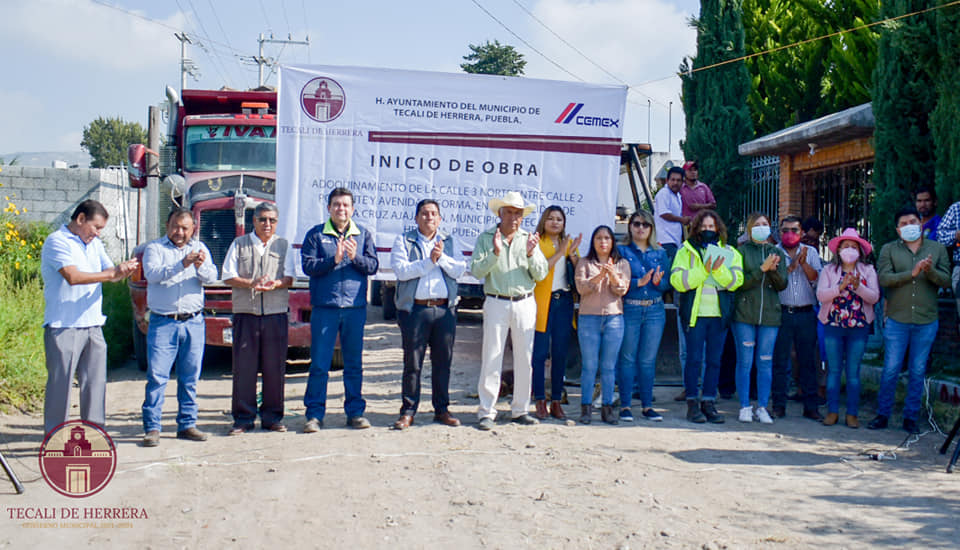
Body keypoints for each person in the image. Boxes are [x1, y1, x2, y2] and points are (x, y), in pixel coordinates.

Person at [40, 200, 138, 435]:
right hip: (64, 326)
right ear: (81, 219)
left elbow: (110, 273)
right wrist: (111, 274)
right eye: (96, 227)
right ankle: (55, 438)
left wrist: (122, 271)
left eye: (101, 228)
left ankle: (94, 435)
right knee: (60, 386)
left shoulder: (94, 245)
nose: (98, 233)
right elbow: (73, 276)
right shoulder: (57, 242)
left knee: (95, 385)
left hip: (93, 324)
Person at [301, 187, 379, 431]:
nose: (341, 209)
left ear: (352, 209)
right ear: (329, 209)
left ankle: (355, 412)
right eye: (336, 204)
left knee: (353, 364)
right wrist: (332, 260)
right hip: (326, 308)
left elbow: (373, 266)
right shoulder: (315, 235)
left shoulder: (363, 234)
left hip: (354, 307)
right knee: (320, 364)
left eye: (345, 205)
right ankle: (314, 415)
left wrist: (355, 257)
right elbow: (308, 266)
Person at [141, 208, 219, 446]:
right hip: (164, 321)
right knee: (157, 376)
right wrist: (181, 264)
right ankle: (153, 428)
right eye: (176, 226)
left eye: (185, 228)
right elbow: (152, 275)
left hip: (194, 321)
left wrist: (200, 266)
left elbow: (212, 277)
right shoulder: (155, 249)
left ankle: (187, 424)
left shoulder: (200, 248)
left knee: (190, 377)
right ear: (167, 225)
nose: (180, 232)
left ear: (193, 229)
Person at [471, 191, 548, 430]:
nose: (514, 217)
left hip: (524, 301)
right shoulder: (486, 238)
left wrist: (530, 253)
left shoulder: (529, 239)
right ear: (500, 213)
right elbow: (476, 271)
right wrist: (495, 253)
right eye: (510, 212)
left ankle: (520, 409)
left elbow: (541, 273)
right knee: (491, 356)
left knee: (525, 358)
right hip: (496, 300)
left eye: (518, 213)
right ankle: (486, 411)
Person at [872, 206, 951, 433]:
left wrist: (930, 272)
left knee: (917, 370)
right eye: (904, 223)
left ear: (921, 224)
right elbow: (884, 278)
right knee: (891, 369)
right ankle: (882, 414)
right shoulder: (889, 250)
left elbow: (946, 281)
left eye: (913, 222)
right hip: (898, 318)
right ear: (898, 229)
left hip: (926, 319)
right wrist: (912, 273)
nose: (910, 226)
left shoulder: (936, 249)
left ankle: (910, 418)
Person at [390, 199, 468, 430]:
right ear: (416, 218)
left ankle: (442, 410)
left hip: (444, 310)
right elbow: (402, 271)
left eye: (434, 214)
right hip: (415, 310)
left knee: (443, 362)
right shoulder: (404, 240)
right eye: (424, 214)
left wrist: (441, 257)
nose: (429, 218)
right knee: (412, 363)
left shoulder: (449, 241)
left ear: (440, 219)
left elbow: (459, 269)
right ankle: (408, 411)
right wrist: (429, 261)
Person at [221, 203, 295, 435]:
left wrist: (275, 284)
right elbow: (227, 276)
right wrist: (251, 283)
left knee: (274, 368)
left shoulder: (283, 246)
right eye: (263, 219)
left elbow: (290, 278)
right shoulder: (239, 244)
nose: (267, 224)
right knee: (244, 368)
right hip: (246, 313)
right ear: (253, 221)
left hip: (275, 315)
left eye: (272, 220)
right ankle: (243, 418)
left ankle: (272, 417)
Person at [670, 210, 744, 424]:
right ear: (696, 228)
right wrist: (705, 270)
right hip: (695, 315)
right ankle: (692, 403)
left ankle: (709, 402)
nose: (708, 230)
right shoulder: (685, 251)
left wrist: (718, 271)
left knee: (714, 361)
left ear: (718, 229)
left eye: (712, 227)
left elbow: (735, 281)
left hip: (718, 316)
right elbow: (678, 281)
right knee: (693, 360)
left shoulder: (730, 252)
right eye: (704, 226)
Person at [816, 229, 880, 428]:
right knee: (834, 371)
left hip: (858, 327)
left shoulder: (868, 270)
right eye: (846, 247)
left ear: (860, 250)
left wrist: (858, 286)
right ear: (839, 250)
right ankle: (832, 411)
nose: (849, 250)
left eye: (854, 247)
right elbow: (821, 295)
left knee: (853, 373)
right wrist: (841, 286)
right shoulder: (829, 271)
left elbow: (874, 297)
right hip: (834, 326)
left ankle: (852, 413)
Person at [616, 210, 670, 422]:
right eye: (636, 224)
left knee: (647, 360)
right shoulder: (621, 251)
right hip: (631, 307)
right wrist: (637, 281)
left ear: (651, 228)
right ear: (630, 226)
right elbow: (617, 283)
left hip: (655, 309)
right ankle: (626, 406)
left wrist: (658, 282)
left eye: (645, 225)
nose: (640, 228)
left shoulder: (660, 253)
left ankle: (647, 406)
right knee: (627, 358)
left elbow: (668, 284)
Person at [733, 213, 787, 424]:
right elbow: (739, 283)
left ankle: (762, 406)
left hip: (770, 316)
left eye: (765, 224)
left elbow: (782, 284)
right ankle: (745, 406)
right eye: (757, 225)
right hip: (745, 315)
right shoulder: (742, 252)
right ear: (749, 229)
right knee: (745, 362)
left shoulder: (776, 252)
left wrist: (772, 271)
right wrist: (761, 269)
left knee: (765, 361)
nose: (762, 228)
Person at [575, 225, 630, 425]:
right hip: (589, 319)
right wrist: (600, 276)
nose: (603, 242)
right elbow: (582, 288)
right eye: (599, 238)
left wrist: (613, 274)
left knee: (609, 366)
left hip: (614, 318)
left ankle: (607, 408)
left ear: (612, 242)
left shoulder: (622, 264)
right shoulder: (584, 262)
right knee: (589, 366)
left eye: (607, 238)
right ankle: (586, 408)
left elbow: (622, 289)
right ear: (593, 241)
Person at [771, 215, 823, 420]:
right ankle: (779, 404)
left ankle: (810, 405)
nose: (789, 234)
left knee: (807, 360)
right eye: (785, 230)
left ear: (801, 232)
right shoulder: (774, 253)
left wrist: (803, 265)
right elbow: (774, 281)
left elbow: (816, 280)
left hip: (805, 313)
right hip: (782, 312)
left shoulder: (811, 253)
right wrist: (791, 267)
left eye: (794, 230)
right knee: (780, 360)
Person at [531, 206, 580, 420]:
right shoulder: (536, 242)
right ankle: (540, 399)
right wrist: (560, 253)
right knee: (540, 354)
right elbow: (539, 272)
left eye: (559, 219)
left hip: (564, 301)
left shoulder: (568, 244)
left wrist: (572, 256)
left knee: (560, 353)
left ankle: (557, 401)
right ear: (543, 221)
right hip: (543, 302)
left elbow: (578, 273)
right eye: (550, 218)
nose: (555, 222)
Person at [654, 166, 688, 262]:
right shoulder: (663, 194)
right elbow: (664, 213)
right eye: (672, 180)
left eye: (678, 180)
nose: (675, 183)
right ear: (667, 180)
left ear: (682, 182)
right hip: (665, 240)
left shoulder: (677, 195)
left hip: (675, 241)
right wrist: (682, 220)